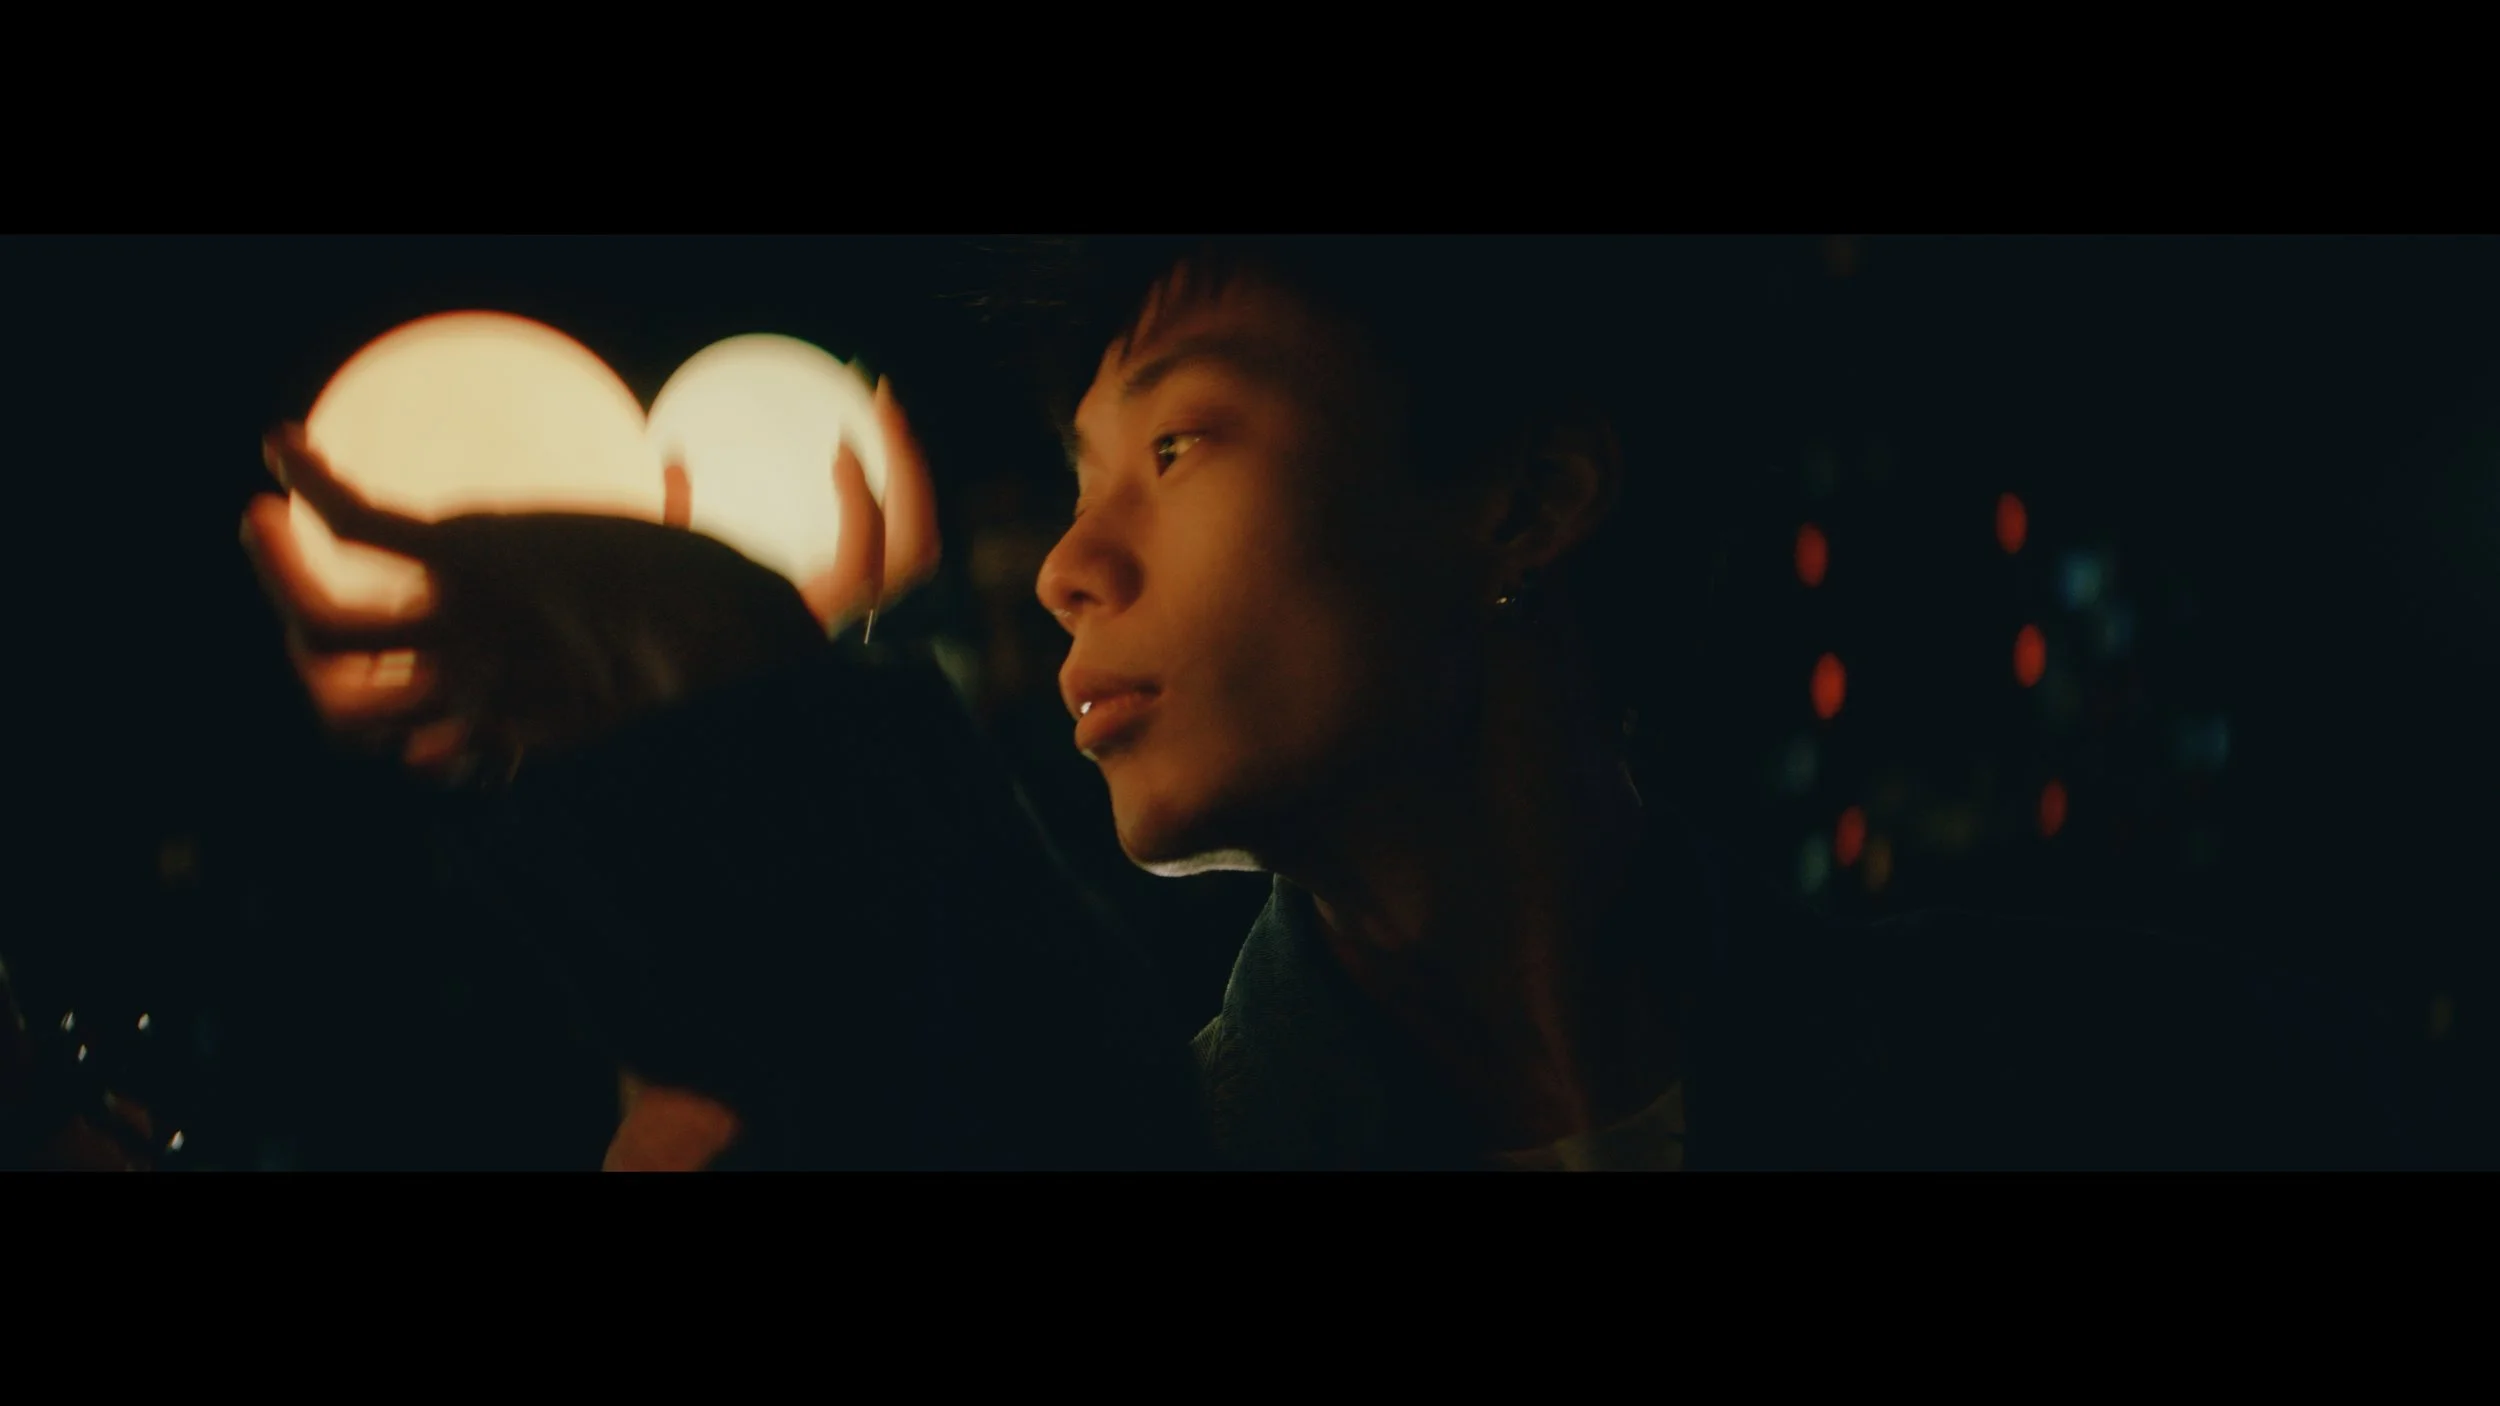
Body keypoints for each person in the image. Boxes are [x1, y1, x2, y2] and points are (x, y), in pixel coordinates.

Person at [244, 236, 2414, 1170]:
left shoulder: (2101, 1072)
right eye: (1074, 477)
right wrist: (750, 764)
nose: (1072, 561)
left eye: (1180, 444)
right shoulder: (1108, 1127)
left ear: (1526, 497)